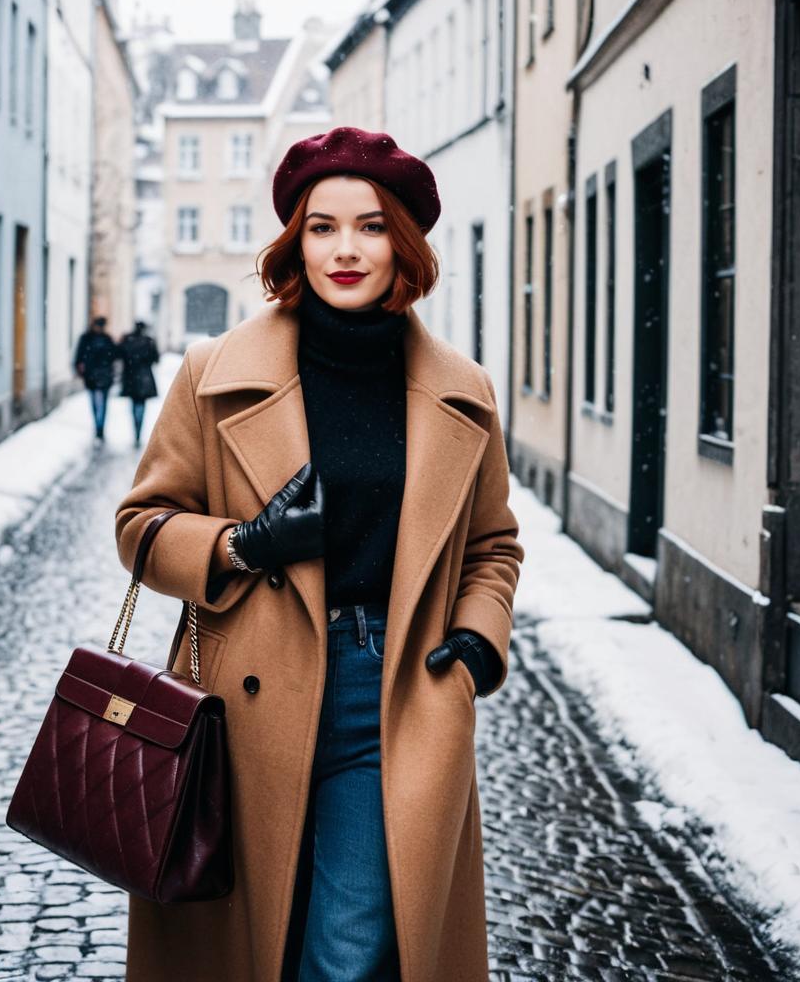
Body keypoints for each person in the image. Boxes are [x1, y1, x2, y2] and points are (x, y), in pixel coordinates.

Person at [115, 126, 524, 982]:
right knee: (252, 939)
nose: (346, 249)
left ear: (404, 244)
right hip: (237, 703)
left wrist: (478, 645)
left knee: (351, 951)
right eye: (323, 226)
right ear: (295, 240)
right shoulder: (213, 372)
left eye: (372, 227)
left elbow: (493, 544)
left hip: (398, 693)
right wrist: (242, 544)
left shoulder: (464, 391)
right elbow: (141, 525)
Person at [73, 316, 118, 441]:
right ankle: (98, 425)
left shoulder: (92, 339)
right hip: (96, 375)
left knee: (100, 403)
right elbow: (79, 356)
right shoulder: (100, 339)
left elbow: (114, 355)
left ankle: (99, 427)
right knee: (98, 403)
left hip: (98, 375)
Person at [118, 320, 160, 447]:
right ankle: (138, 432)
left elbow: (121, 355)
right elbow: (156, 359)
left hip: (130, 377)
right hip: (144, 378)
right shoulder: (148, 341)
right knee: (141, 405)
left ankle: (136, 429)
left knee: (134, 404)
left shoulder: (128, 340)